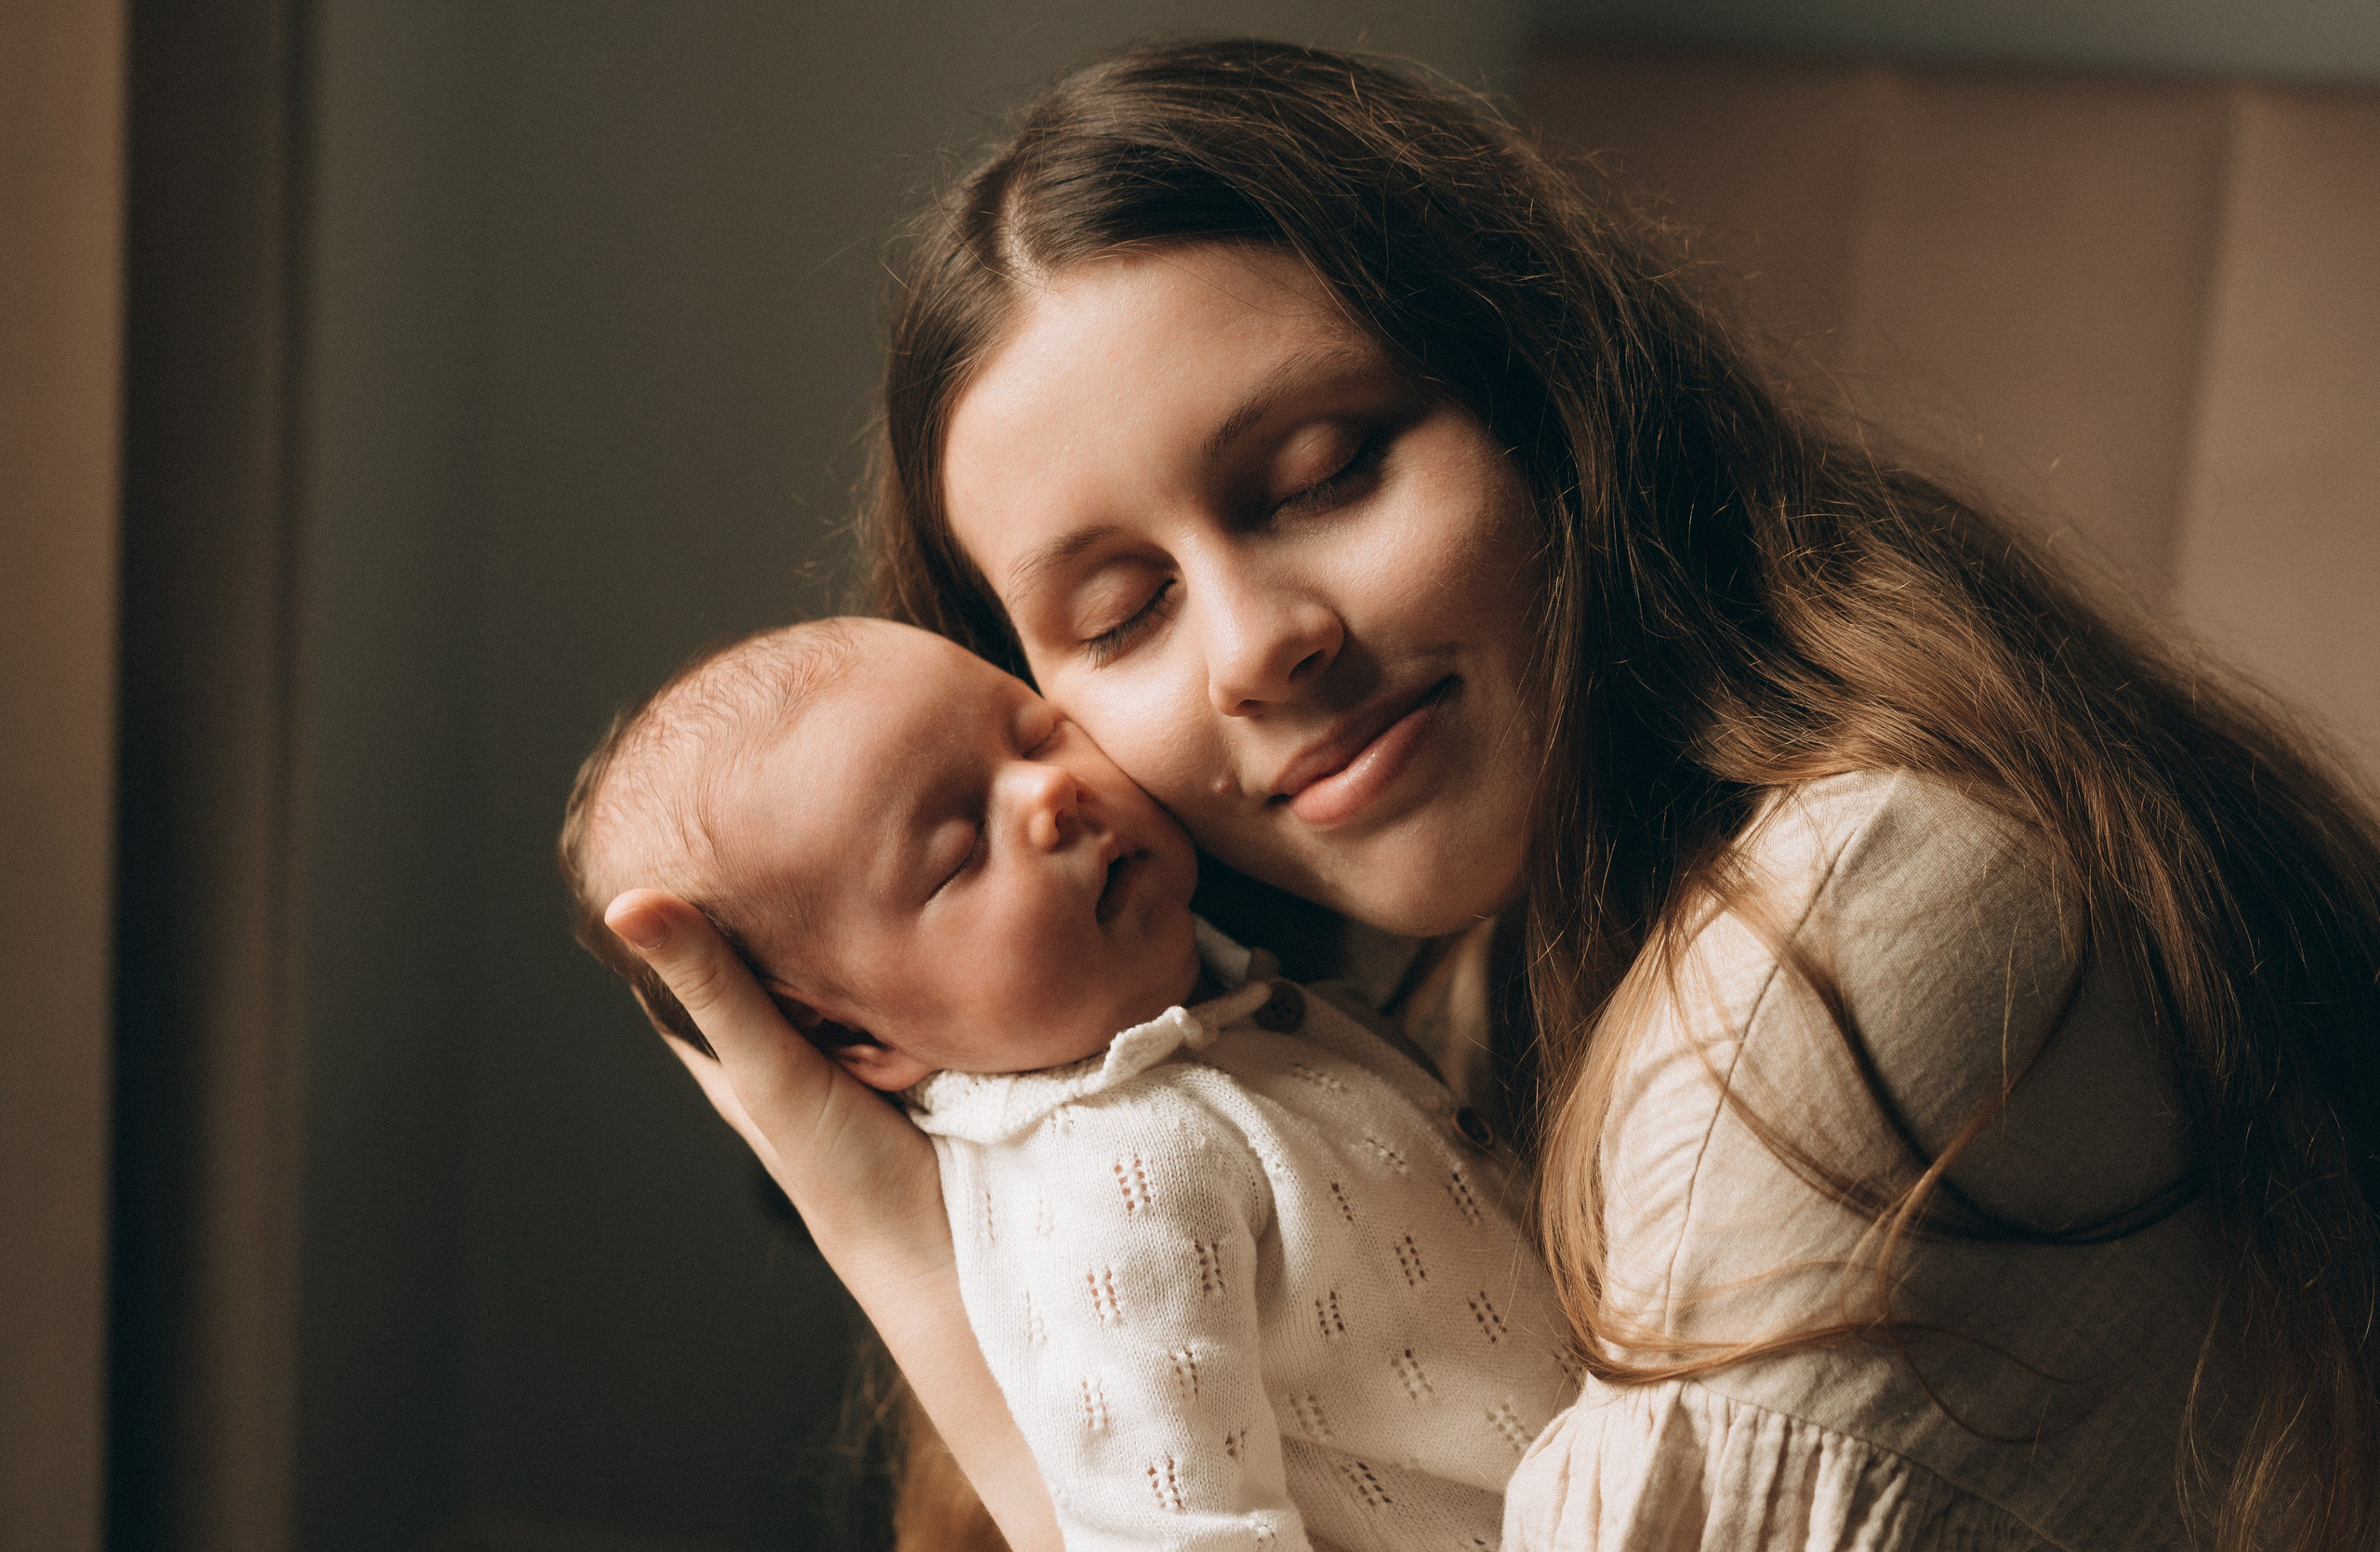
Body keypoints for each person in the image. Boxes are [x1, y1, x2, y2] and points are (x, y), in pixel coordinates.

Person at [600, 38, 2380, 1552]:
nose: (1255, 647)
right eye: (1122, 612)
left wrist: (909, 1266)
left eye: (1325, 471)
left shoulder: (1853, 933)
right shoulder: (1411, 997)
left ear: (1557, 405)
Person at [562, 617, 1576, 1551]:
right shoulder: (1108, 1173)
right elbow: (1171, 1530)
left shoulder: (1218, 1017)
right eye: (958, 852)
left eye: (1037, 734)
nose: (1048, 794)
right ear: (856, 1036)